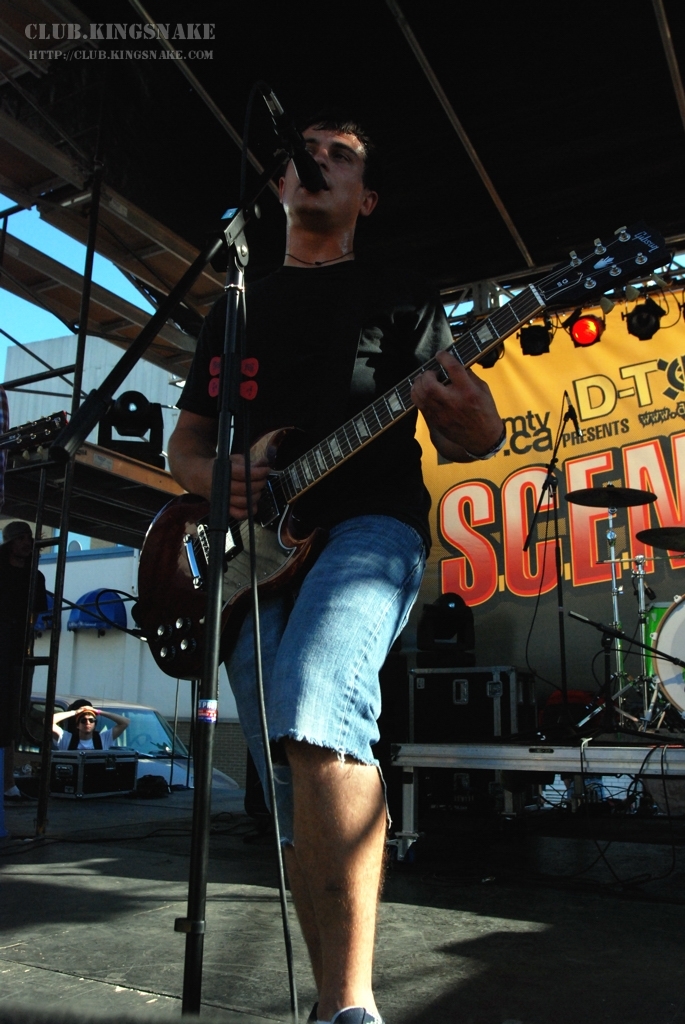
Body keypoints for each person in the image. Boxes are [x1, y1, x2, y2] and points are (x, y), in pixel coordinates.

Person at [167, 113, 505, 1024]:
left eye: (340, 154)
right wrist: (217, 478)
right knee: (289, 781)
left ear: (367, 197)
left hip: (369, 525)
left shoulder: (400, 293)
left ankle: (353, 1009)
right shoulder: (234, 307)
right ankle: (329, 1006)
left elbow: (473, 435)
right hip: (251, 558)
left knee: (318, 704)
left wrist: (470, 413)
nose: (315, 161)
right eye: (304, 152)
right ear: (279, 184)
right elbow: (186, 446)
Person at [1, 521, 47, 800]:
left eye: (29, 539)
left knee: (11, 716)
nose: (26, 543)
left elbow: (36, 612)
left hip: (18, 649)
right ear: (9, 543)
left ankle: (8, 782)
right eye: (21, 538)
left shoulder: (35, 577)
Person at [52, 700, 130, 750]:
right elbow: (49, 721)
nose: (88, 722)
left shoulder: (103, 739)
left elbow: (125, 722)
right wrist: (75, 712)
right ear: (77, 725)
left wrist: (98, 711)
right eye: (83, 720)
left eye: (91, 720)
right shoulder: (66, 738)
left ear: (95, 724)